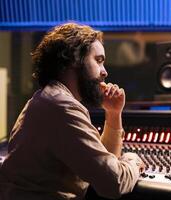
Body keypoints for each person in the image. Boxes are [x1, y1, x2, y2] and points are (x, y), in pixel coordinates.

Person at [0, 22, 145, 200]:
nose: (105, 72)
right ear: (75, 59)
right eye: (98, 60)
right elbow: (113, 183)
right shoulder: (62, 107)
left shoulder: (48, 99)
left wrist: (113, 114)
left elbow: (102, 164)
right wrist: (133, 161)